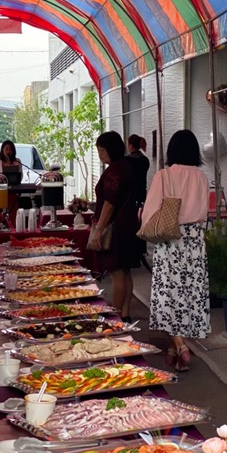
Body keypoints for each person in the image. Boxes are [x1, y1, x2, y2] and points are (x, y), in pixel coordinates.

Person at [140, 129, 210, 372]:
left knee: (167, 294)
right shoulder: (201, 177)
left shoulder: (164, 176)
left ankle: (180, 346)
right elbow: (203, 214)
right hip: (194, 241)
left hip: (170, 239)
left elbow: (150, 212)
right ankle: (173, 352)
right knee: (187, 295)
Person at [90, 131, 140, 320]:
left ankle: (115, 317)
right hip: (129, 225)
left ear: (111, 149)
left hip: (116, 228)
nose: (100, 154)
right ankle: (125, 313)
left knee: (117, 274)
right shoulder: (126, 166)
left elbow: (109, 203)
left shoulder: (114, 171)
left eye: (102, 150)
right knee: (126, 272)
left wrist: (98, 230)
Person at [126, 135, 151, 272]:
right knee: (140, 224)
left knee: (130, 225)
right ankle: (140, 251)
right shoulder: (145, 160)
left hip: (129, 198)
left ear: (130, 145)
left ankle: (131, 256)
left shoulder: (127, 161)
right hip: (142, 196)